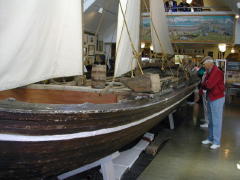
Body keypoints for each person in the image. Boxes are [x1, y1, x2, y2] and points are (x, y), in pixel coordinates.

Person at [200, 57, 225, 150]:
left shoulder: (216, 72)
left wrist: (205, 81)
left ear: (209, 63)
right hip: (211, 97)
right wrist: (205, 81)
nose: (203, 66)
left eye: (204, 64)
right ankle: (210, 138)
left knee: (216, 121)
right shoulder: (209, 71)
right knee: (211, 120)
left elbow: (209, 85)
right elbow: (204, 84)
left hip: (217, 98)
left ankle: (217, 142)